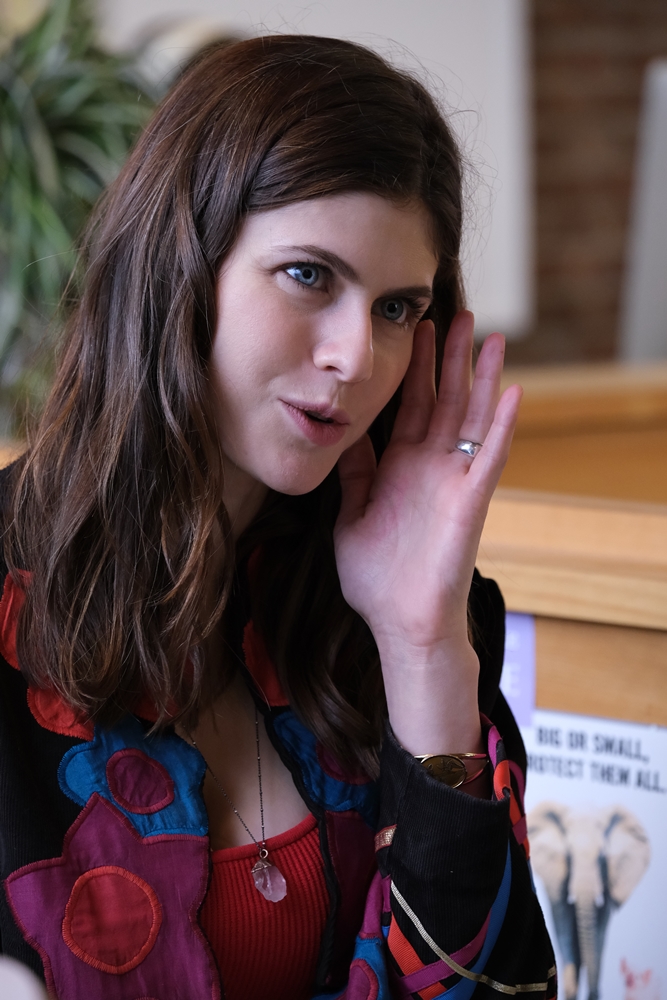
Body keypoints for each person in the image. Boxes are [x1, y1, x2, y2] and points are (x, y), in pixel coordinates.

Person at [0, 34, 556, 1000]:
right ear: (181, 265)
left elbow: (499, 985)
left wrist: (420, 643)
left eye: (396, 308)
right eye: (308, 275)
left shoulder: (402, 609)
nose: (356, 356)